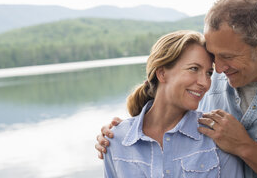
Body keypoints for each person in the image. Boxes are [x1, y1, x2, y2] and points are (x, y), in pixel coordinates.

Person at [96, 0, 257, 178]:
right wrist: (121, 133)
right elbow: (167, 112)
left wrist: (245, 147)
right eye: (213, 56)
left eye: (228, 56)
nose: (219, 70)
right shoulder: (208, 85)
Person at [103, 30, 243, 177]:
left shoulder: (217, 136)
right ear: (162, 73)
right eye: (194, 69)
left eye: (209, 73)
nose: (204, 83)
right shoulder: (116, 140)